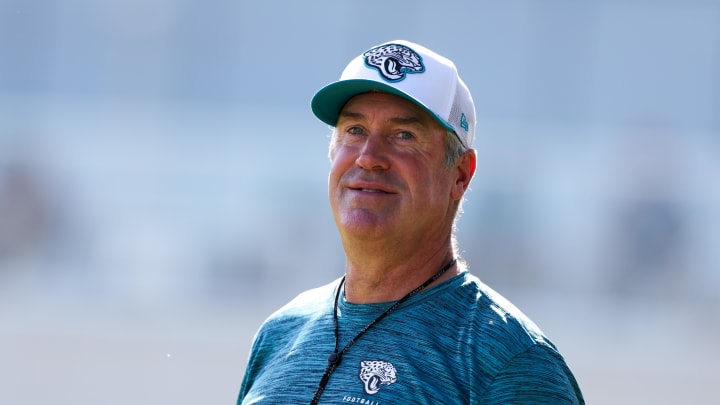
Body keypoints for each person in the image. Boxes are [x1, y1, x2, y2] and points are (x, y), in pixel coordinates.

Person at [237, 40, 584, 404]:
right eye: (354, 130)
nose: (369, 158)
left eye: (404, 136)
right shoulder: (280, 334)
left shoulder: (509, 362)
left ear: (460, 175)